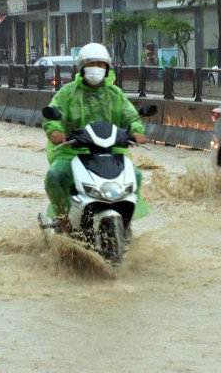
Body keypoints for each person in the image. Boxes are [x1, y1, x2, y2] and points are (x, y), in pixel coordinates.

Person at [43, 43, 148, 233]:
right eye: (92, 64)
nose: (96, 69)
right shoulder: (67, 93)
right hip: (73, 152)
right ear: (82, 67)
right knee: (55, 175)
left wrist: (137, 130)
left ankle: (126, 222)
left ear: (107, 68)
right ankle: (64, 220)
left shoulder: (115, 94)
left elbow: (130, 116)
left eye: (101, 65)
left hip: (109, 152)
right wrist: (55, 132)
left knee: (137, 175)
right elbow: (54, 114)